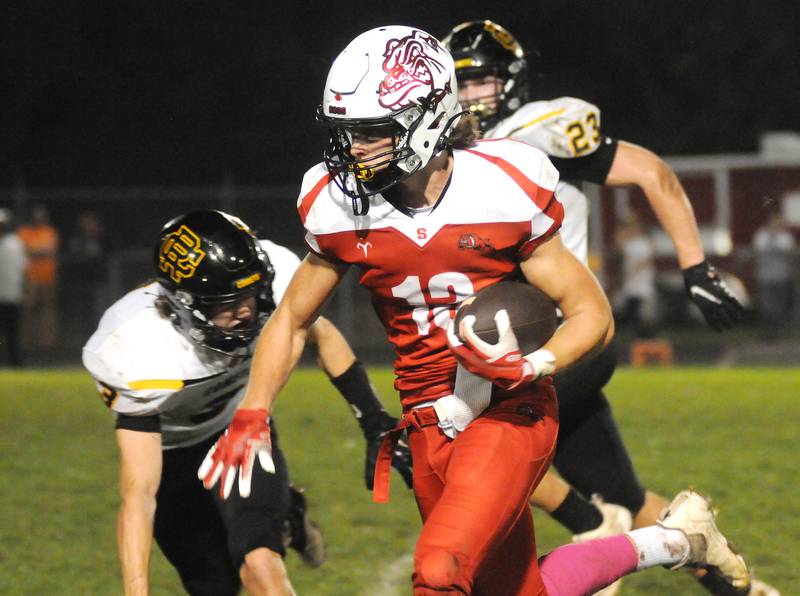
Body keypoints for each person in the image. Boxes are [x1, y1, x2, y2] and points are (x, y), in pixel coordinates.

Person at [199, 26, 749, 595]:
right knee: (513, 590)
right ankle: (678, 540)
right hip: (425, 417)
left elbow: (591, 313)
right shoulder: (337, 205)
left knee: (439, 570)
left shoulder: (503, 183)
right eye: (346, 133)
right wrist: (254, 411)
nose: (352, 151)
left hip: (510, 405)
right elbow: (291, 319)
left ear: (428, 116)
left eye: (371, 133)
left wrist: (533, 365)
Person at [444, 19, 774, 596]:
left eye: (484, 82)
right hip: (521, 342)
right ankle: (736, 582)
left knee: (453, 441)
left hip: (565, 336)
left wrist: (696, 269)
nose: (472, 96)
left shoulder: (534, 132)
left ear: (512, 81)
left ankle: (587, 524)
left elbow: (651, 171)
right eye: (462, 85)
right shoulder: (448, 153)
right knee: (625, 495)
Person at [83, 210, 411, 596]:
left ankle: (279, 513)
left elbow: (319, 334)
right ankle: (289, 508)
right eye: (227, 303)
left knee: (259, 563)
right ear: (184, 304)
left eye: (250, 296)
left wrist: (373, 420)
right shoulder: (135, 347)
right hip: (172, 453)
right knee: (215, 585)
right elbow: (138, 493)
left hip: (241, 429)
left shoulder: (274, 273)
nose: (246, 311)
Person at [18, 204, 60, 352]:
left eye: (41, 217)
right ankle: (26, 344)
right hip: (30, 278)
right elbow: (22, 250)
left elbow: (49, 249)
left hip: (47, 277)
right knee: (28, 311)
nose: (39, 220)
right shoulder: (25, 231)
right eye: (36, 217)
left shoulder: (49, 231)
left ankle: (47, 345)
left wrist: (33, 252)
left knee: (47, 311)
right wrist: (38, 252)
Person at [615, 211, 658, 338]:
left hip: (642, 283)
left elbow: (646, 261)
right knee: (631, 313)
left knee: (645, 314)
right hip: (630, 283)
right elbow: (620, 249)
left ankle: (649, 339)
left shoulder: (644, 242)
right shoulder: (627, 242)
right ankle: (635, 340)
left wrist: (633, 271)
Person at [752, 211, 796, 333]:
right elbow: (759, 250)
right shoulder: (761, 235)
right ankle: (768, 328)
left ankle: (779, 328)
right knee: (767, 303)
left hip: (781, 275)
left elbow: (788, 252)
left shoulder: (786, 237)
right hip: (765, 276)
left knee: (780, 302)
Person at [0, 208, 27, 366]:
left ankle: (15, 364)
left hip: (11, 297)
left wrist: (25, 290)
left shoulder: (14, 244)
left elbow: (23, 269)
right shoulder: (15, 244)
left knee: (12, 334)